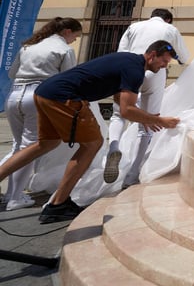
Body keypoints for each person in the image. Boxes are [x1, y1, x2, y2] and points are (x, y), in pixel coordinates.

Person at [0, 40, 180, 223]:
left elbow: (119, 98)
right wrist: (158, 120)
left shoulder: (127, 60)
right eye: (164, 61)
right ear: (152, 55)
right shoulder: (136, 70)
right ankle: (57, 205)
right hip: (65, 96)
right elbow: (126, 110)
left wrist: (146, 117)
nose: (165, 66)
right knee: (93, 143)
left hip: (45, 92)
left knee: (45, 144)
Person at [1, 17, 82, 211]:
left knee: (18, 146)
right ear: (67, 32)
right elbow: (68, 79)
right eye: (76, 36)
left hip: (14, 96)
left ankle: (12, 193)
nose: (74, 41)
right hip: (38, 96)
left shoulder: (29, 46)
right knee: (31, 147)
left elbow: (12, 73)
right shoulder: (64, 49)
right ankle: (15, 197)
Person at [106, 8, 190, 186]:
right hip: (155, 73)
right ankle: (132, 174)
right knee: (148, 125)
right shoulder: (170, 29)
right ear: (168, 19)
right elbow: (184, 57)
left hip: (130, 69)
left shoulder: (134, 27)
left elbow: (121, 52)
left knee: (118, 115)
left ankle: (113, 147)